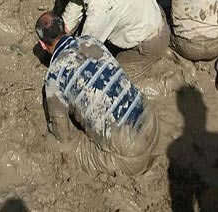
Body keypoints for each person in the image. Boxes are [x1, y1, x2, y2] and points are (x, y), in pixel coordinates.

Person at [36, 11, 159, 176]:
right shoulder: (91, 41)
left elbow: (62, 135)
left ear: (43, 45)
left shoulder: (54, 77)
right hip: (152, 124)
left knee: (60, 146)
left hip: (130, 158)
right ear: (65, 27)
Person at [58, 0, 170, 73]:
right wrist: (61, 32)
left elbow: (87, 50)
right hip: (151, 15)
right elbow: (76, 0)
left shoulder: (100, 6)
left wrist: (64, 62)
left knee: (116, 83)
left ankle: (170, 80)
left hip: (149, 41)